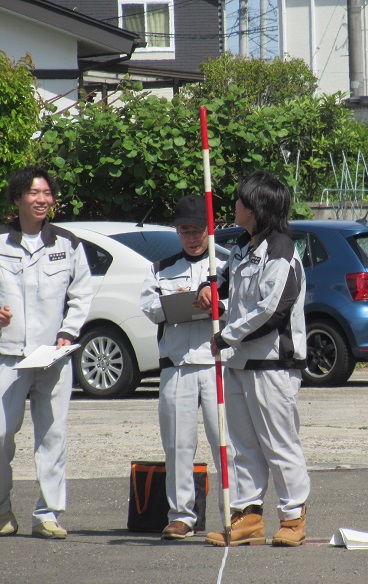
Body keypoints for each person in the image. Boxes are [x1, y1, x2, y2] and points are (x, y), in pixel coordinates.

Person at [0, 167, 92, 539]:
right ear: (17, 198)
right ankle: (0, 507)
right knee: (0, 434)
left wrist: (68, 332)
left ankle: (47, 513)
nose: (42, 200)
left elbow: (81, 294)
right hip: (7, 355)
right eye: (34, 193)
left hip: (53, 356)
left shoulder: (67, 243)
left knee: (53, 434)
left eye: (48, 193)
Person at [197, 171, 310, 547]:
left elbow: (272, 310)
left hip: (274, 364)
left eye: (241, 200)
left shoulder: (282, 251)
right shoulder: (244, 247)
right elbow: (224, 285)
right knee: (243, 444)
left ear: (257, 208)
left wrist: (225, 335)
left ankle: (293, 518)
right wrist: (207, 291)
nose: (235, 206)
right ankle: (248, 517)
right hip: (239, 363)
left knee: (280, 443)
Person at [139, 194, 223, 540]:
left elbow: (242, 303)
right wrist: (178, 304)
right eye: (184, 230)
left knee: (226, 443)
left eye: (197, 230)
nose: (191, 237)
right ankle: (181, 514)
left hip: (217, 363)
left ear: (209, 229)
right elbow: (147, 305)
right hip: (177, 365)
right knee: (177, 444)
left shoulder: (227, 264)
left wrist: (215, 301)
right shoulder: (161, 268)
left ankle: (237, 511)